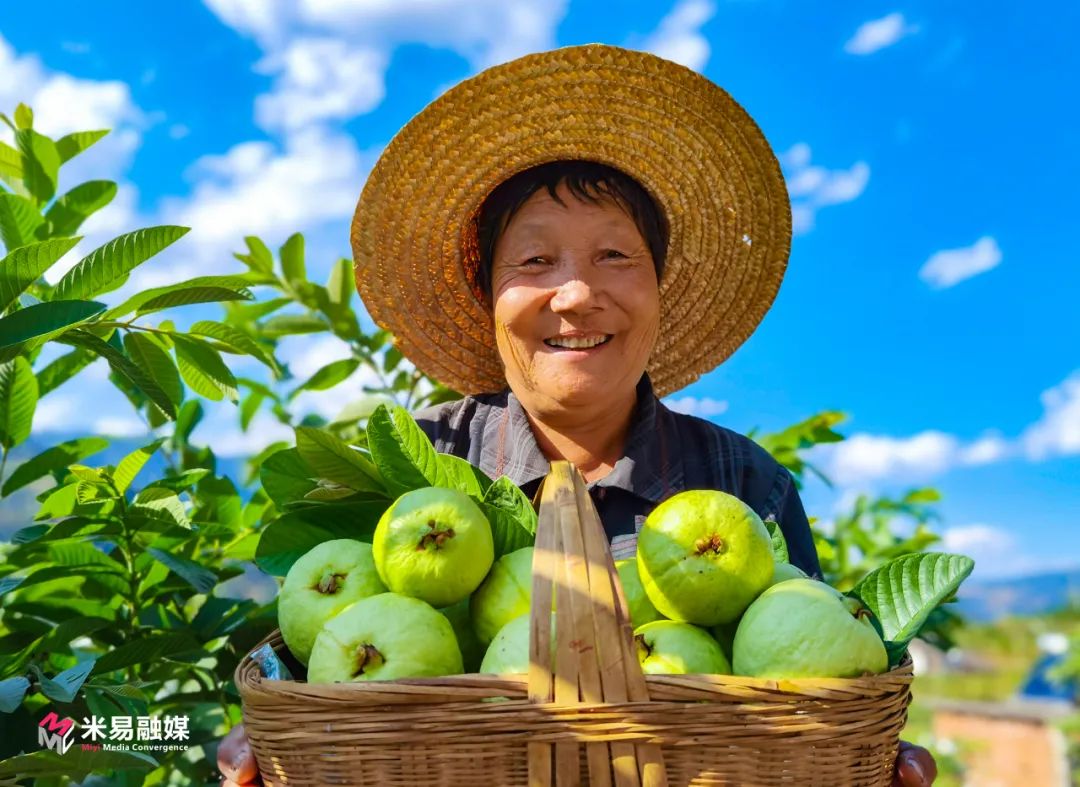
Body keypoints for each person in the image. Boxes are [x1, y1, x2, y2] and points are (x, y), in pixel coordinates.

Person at [219, 45, 936, 787]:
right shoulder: (418, 470)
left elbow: (813, 678)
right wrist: (273, 736)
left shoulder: (749, 486)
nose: (574, 295)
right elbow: (314, 662)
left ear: (661, 291)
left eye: (615, 256)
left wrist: (867, 751)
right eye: (533, 263)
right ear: (487, 300)